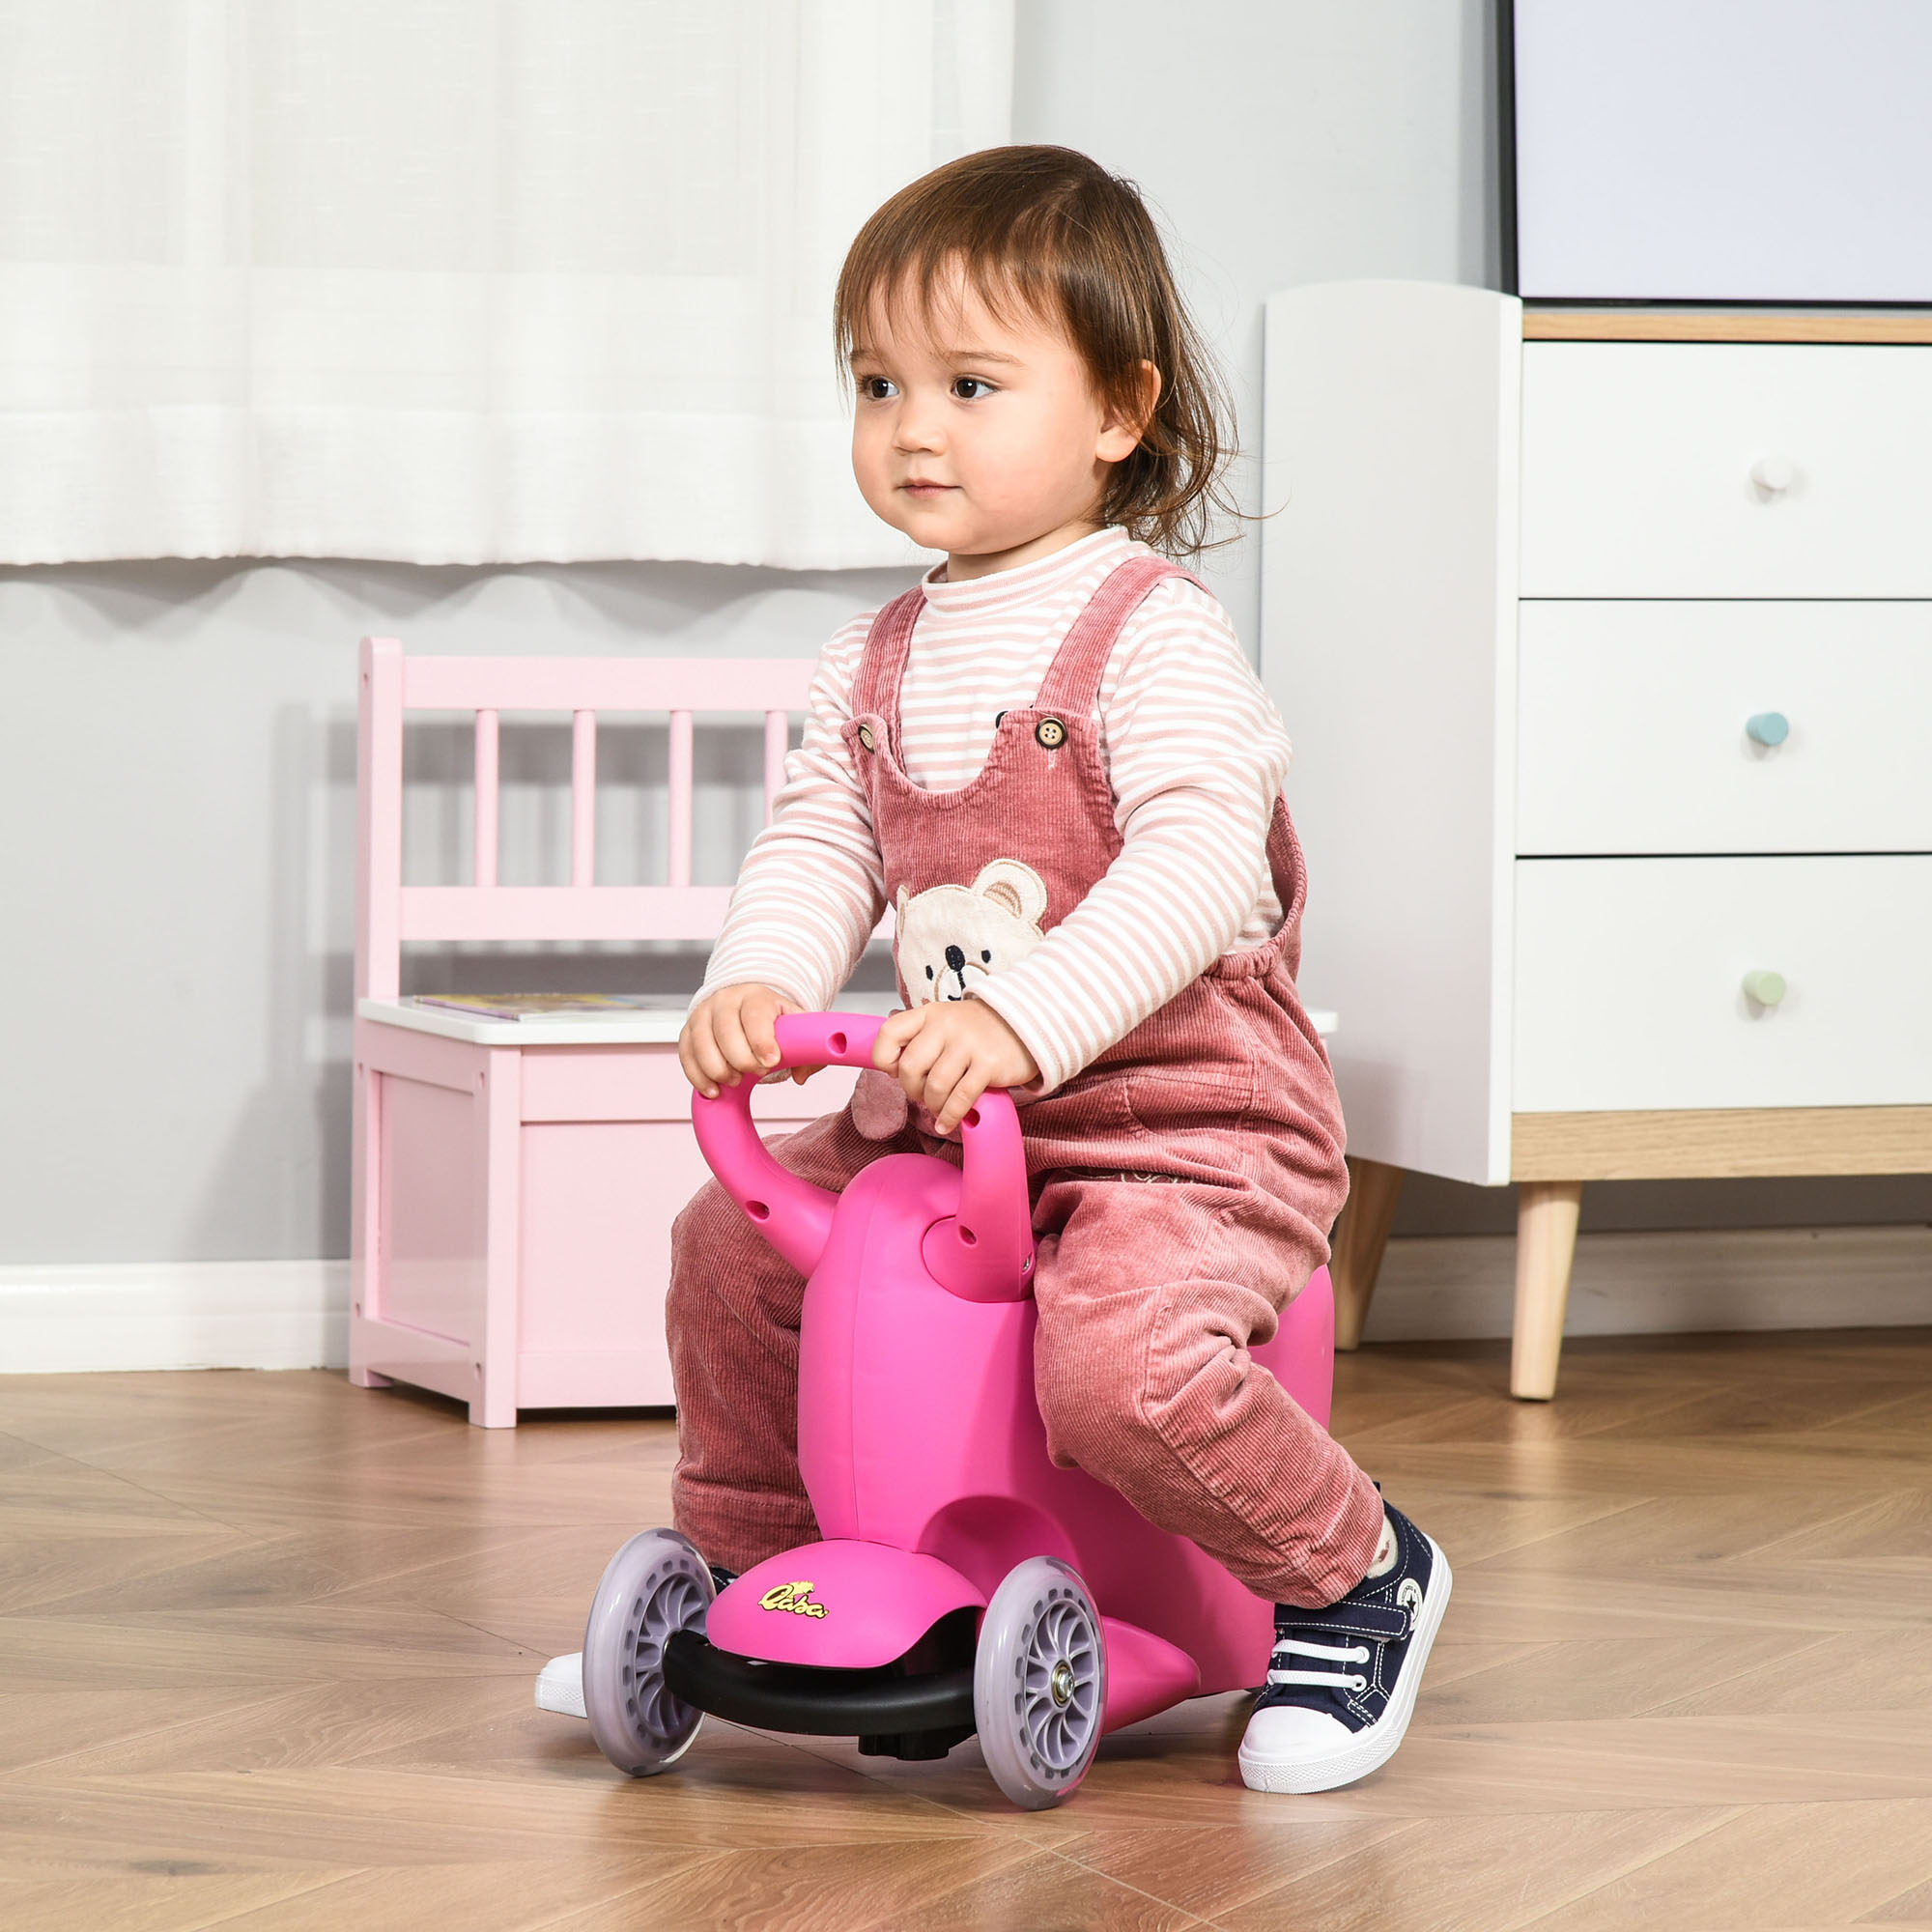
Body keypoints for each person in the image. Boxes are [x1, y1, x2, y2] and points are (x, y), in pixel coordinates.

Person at [668, 145, 1449, 1795]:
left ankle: (1356, 1572)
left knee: (1118, 1368)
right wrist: (759, 979)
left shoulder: (1154, 630)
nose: (914, 428)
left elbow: (1206, 863)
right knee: (728, 1255)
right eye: (878, 384)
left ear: (1118, 410)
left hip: (1185, 1123)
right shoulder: (873, 652)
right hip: (959, 1121)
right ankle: (763, 1572)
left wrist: (1021, 1018)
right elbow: (823, 841)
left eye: (970, 384)